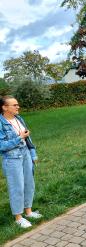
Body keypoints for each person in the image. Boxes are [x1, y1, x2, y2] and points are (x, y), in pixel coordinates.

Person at [0, 96, 42, 228]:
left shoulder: (19, 119)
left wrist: (33, 153)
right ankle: (18, 217)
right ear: (4, 107)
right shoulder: (1, 123)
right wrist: (19, 138)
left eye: (17, 104)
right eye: (14, 105)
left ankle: (28, 211)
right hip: (12, 158)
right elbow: (2, 146)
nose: (18, 107)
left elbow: (27, 138)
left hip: (25, 154)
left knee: (29, 183)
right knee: (17, 186)